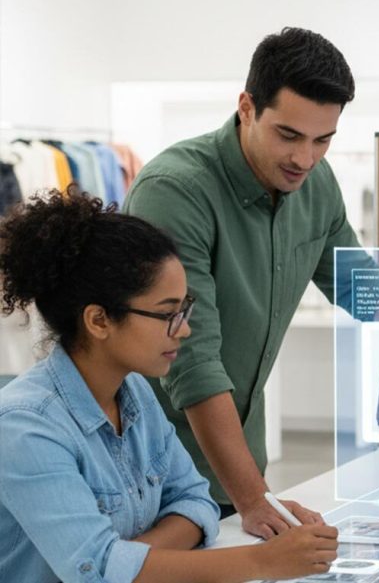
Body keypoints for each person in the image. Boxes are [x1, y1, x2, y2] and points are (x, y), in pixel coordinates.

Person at [124, 28, 379, 539]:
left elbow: (361, 286)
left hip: (235, 469)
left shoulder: (315, 186)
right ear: (247, 107)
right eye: (288, 135)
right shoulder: (175, 191)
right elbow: (193, 361)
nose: (305, 158)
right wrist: (254, 498)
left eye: (323, 140)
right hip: (150, 470)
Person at [0, 191, 338, 582]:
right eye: (167, 314)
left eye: (184, 309)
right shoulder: (24, 427)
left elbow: (197, 501)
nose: (185, 328)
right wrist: (263, 562)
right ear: (98, 321)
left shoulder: (137, 393)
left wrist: (123, 562)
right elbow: (95, 571)